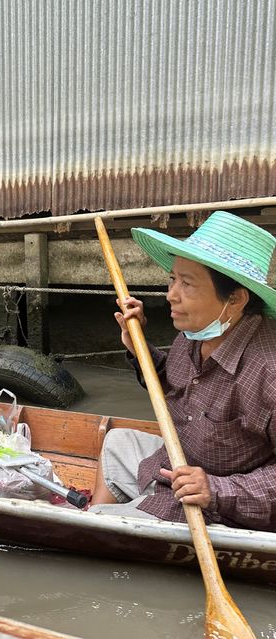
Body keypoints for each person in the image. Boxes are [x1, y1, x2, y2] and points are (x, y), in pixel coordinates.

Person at [90, 210, 276, 531]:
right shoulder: (198, 330)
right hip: (177, 464)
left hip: (214, 505)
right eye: (173, 278)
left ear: (235, 299)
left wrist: (216, 491)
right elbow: (172, 388)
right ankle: (100, 522)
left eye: (187, 283)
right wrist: (139, 346)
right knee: (117, 440)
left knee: (95, 525)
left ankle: (100, 530)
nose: (170, 295)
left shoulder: (268, 371)